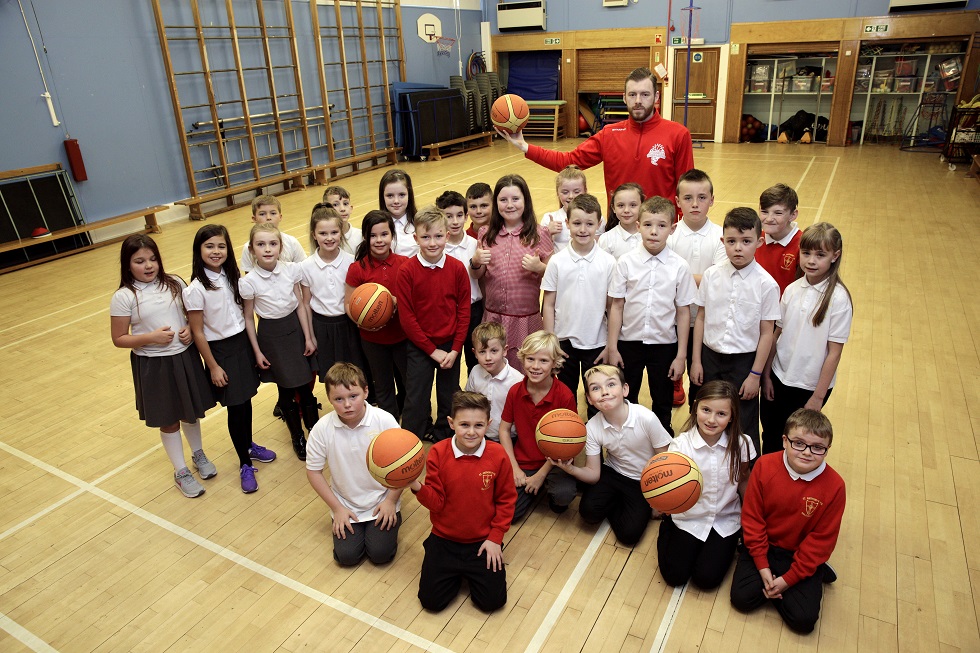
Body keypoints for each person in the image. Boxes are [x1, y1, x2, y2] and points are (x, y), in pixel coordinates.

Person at [497, 67, 694, 213]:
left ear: (656, 96)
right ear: (624, 97)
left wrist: (679, 225)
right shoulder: (609, 134)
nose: (638, 101)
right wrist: (524, 146)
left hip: (660, 229)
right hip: (618, 228)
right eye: (632, 94)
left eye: (645, 94)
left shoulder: (678, 134)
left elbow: (686, 189)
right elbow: (568, 162)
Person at [109, 234, 216, 498]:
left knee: (190, 412)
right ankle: (180, 472)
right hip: (153, 366)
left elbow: (192, 318)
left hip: (184, 357)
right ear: (128, 264)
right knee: (168, 420)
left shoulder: (176, 283)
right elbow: (119, 338)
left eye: (153, 259)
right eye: (140, 261)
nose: (148, 266)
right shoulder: (124, 297)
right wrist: (150, 338)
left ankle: (198, 454)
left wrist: (190, 331)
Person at [730, 408, 845, 634]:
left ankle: (813, 571)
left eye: (818, 447)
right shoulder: (764, 466)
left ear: (827, 449)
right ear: (785, 441)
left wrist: (788, 580)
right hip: (765, 547)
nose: (807, 453)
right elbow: (753, 520)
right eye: (799, 443)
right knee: (741, 600)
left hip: (798, 553)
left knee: (803, 622)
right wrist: (763, 567)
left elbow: (821, 540)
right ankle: (784, 583)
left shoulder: (835, 486)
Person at [184, 225, 276, 494]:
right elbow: (198, 332)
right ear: (198, 250)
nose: (216, 251)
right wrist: (213, 366)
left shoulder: (232, 276)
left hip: (242, 345)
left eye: (221, 246)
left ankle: (248, 444)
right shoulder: (196, 289)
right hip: (221, 352)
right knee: (235, 406)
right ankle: (244, 464)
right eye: (209, 246)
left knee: (245, 400)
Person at [411, 391, 517, 612]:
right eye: (464, 425)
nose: (471, 432)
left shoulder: (498, 455)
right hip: (444, 539)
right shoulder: (438, 453)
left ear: (488, 424)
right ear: (451, 423)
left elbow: (506, 500)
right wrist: (416, 486)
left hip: (482, 542)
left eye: (478, 425)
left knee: (492, 603)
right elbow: (437, 503)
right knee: (432, 603)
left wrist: (496, 538)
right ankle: (440, 557)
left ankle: (464, 570)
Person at [691, 207, 780, 452]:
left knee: (744, 422)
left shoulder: (767, 285)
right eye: (731, 241)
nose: (738, 248)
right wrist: (696, 360)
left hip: (744, 363)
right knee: (705, 414)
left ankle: (746, 480)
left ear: (759, 242)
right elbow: (701, 318)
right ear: (723, 242)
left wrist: (755, 375)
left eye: (746, 241)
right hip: (709, 358)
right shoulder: (711, 276)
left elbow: (766, 334)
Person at [607, 196, 697, 435]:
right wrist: (613, 347)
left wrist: (681, 356)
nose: (654, 232)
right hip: (629, 343)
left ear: (672, 228)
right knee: (627, 396)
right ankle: (628, 439)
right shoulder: (625, 263)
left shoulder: (679, 266)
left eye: (661, 225)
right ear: (638, 226)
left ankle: (662, 441)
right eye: (647, 225)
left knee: (663, 400)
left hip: (665, 345)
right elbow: (616, 306)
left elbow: (683, 312)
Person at [760, 223, 852, 454]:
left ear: (835, 256)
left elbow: (834, 353)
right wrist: (767, 375)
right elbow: (776, 335)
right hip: (779, 377)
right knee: (770, 434)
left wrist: (817, 397)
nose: (811, 260)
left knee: (795, 441)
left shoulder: (839, 299)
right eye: (806, 253)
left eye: (820, 255)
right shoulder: (791, 289)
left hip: (808, 387)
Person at [554, 365, 670, 545]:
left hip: (643, 480)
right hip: (613, 472)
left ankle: (627, 504)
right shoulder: (592, 427)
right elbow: (593, 475)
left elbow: (665, 460)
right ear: (589, 399)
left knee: (629, 535)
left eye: (610, 385)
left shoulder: (646, 418)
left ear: (625, 389)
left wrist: (657, 500)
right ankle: (623, 502)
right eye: (595, 388)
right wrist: (570, 469)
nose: (604, 392)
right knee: (588, 513)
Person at [658, 381, 755, 589]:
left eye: (721, 414)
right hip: (688, 518)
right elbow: (668, 487)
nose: (711, 419)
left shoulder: (742, 444)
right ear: (695, 408)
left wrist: (749, 521)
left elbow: (744, 479)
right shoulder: (680, 446)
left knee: (706, 580)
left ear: (732, 417)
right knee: (675, 577)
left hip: (724, 519)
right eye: (706, 410)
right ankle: (667, 529)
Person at [306, 363, 403, 566]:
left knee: (380, 554)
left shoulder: (384, 421)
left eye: (353, 396)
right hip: (346, 504)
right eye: (338, 399)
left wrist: (390, 502)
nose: (347, 404)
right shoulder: (322, 429)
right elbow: (314, 472)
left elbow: (402, 465)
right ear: (330, 399)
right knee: (347, 557)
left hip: (382, 500)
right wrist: (337, 508)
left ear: (366, 391)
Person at [240, 223, 318, 461]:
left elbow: (300, 304)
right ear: (252, 250)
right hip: (271, 336)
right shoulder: (249, 281)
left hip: (294, 329)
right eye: (260, 244)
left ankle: (315, 433)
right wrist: (257, 351)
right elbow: (248, 318)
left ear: (280, 247)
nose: (267, 249)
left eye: (272, 244)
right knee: (285, 388)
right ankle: (298, 437)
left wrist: (308, 336)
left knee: (305, 385)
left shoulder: (292, 270)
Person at [394, 205, 471, 442]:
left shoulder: (457, 268)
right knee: (416, 398)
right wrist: (430, 350)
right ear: (416, 238)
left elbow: (464, 311)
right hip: (420, 347)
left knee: (449, 397)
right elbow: (407, 318)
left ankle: (445, 437)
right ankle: (410, 443)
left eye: (438, 236)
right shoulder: (407, 271)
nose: (432, 243)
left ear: (447, 236)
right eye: (425, 237)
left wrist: (456, 349)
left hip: (450, 347)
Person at [541, 193, 616, 417]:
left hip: (597, 342)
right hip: (564, 344)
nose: (583, 229)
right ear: (567, 224)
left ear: (599, 224)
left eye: (589, 224)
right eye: (576, 223)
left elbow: (613, 308)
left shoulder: (608, 262)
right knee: (565, 397)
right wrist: (550, 343)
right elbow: (548, 304)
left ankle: (597, 447)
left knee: (597, 400)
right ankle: (565, 446)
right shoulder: (557, 261)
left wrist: (610, 345)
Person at [470, 175, 554, 370]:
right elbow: (478, 275)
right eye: (503, 200)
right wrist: (475, 263)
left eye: (515, 199)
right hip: (493, 317)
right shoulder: (486, 232)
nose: (509, 205)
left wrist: (539, 268)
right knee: (492, 369)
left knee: (524, 370)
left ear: (526, 200)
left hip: (525, 319)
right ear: (496, 202)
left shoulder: (540, 234)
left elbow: (555, 277)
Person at [498, 331, 577, 520]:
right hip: (523, 462)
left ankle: (542, 487)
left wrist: (540, 475)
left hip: (555, 462)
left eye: (543, 361)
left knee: (563, 496)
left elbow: (568, 445)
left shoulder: (564, 396)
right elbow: (504, 430)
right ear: (522, 359)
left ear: (554, 364)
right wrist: (515, 468)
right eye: (530, 359)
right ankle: (532, 488)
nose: (535, 366)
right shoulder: (515, 391)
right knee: (511, 515)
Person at [667, 168, 727, 408]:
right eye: (688, 198)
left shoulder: (721, 235)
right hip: (671, 319)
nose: (695, 204)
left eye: (702, 198)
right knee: (670, 369)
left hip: (706, 320)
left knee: (700, 377)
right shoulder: (668, 234)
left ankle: (697, 420)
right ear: (677, 201)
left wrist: (676, 277)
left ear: (712, 200)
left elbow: (717, 279)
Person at [344, 210, 409, 419]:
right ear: (365, 237)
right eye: (373, 236)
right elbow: (348, 304)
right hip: (373, 340)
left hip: (403, 336)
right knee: (382, 386)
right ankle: (388, 424)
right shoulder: (357, 269)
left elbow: (415, 299)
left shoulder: (405, 263)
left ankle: (418, 422)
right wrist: (363, 320)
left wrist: (398, 303)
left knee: (410, 382)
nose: (379, 240)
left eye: (384, 234)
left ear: (392, 235)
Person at [300, 205, 366, 386]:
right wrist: (310, 337)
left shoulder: (352, 261)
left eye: (334, 232)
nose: (329, 238)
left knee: (356, 372)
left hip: (349, 324)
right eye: (322, 233)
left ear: (341, 233)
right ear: (314, 235)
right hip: (322, 327)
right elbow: (305, 303)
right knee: (331, 376)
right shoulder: (306, 266)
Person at [437, 190, 484, 373]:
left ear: (466, 216)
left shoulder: (475, 245)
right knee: (450, 364)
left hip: (474, 311)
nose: (455, 222)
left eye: (459, 215)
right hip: (448, 312)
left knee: (477, 361)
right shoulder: (437, 248)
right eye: (448, 216)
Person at [464, 321, 524, 443]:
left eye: (494, 351)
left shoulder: (517, 380)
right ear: (474, 353)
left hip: (510, 438)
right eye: (482, 352)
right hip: (481, 436)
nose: (488, 357)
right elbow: (469, 402)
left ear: (505, 350)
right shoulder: (475, 371)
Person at [239, 195, 307, 273]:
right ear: (254, 219)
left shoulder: (291, 242)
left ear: (280, 217)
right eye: (262, 214)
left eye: (273, 213)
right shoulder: (248, 247)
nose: (268, 217)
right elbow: (248, 277)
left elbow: (303, 270)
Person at [755, 184, 802, 295]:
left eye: (778, 213)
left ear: (793, 215)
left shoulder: (803, 246)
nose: (769, 219)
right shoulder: (755, 239)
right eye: (764, 212)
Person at [540, 165, 589, 253]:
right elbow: (541, 251)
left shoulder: (594, 217)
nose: (571, 196)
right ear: (558, 193)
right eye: (565, 192)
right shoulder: (549, 218)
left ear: (585, 191)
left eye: (577, 192)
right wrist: (547, 233)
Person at [598, 182, 644, 260]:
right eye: (621, 205)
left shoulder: (651, 236)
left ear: (642, 206)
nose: (626, 210)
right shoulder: (606, 239)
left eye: (633, 205)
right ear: (613, 208)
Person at [379, 169, 419, 257]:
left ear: (409, 195)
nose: (396, 201)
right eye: (390, 196)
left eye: (401, 195)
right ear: (383, 197)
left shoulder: (420, 223)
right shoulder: (375, 226)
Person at [322, 185, 362, 255]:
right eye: (335, 204)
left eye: (345, 203)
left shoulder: (361, 236)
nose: (342, 208)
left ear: (351, 208)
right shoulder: (322, 239)